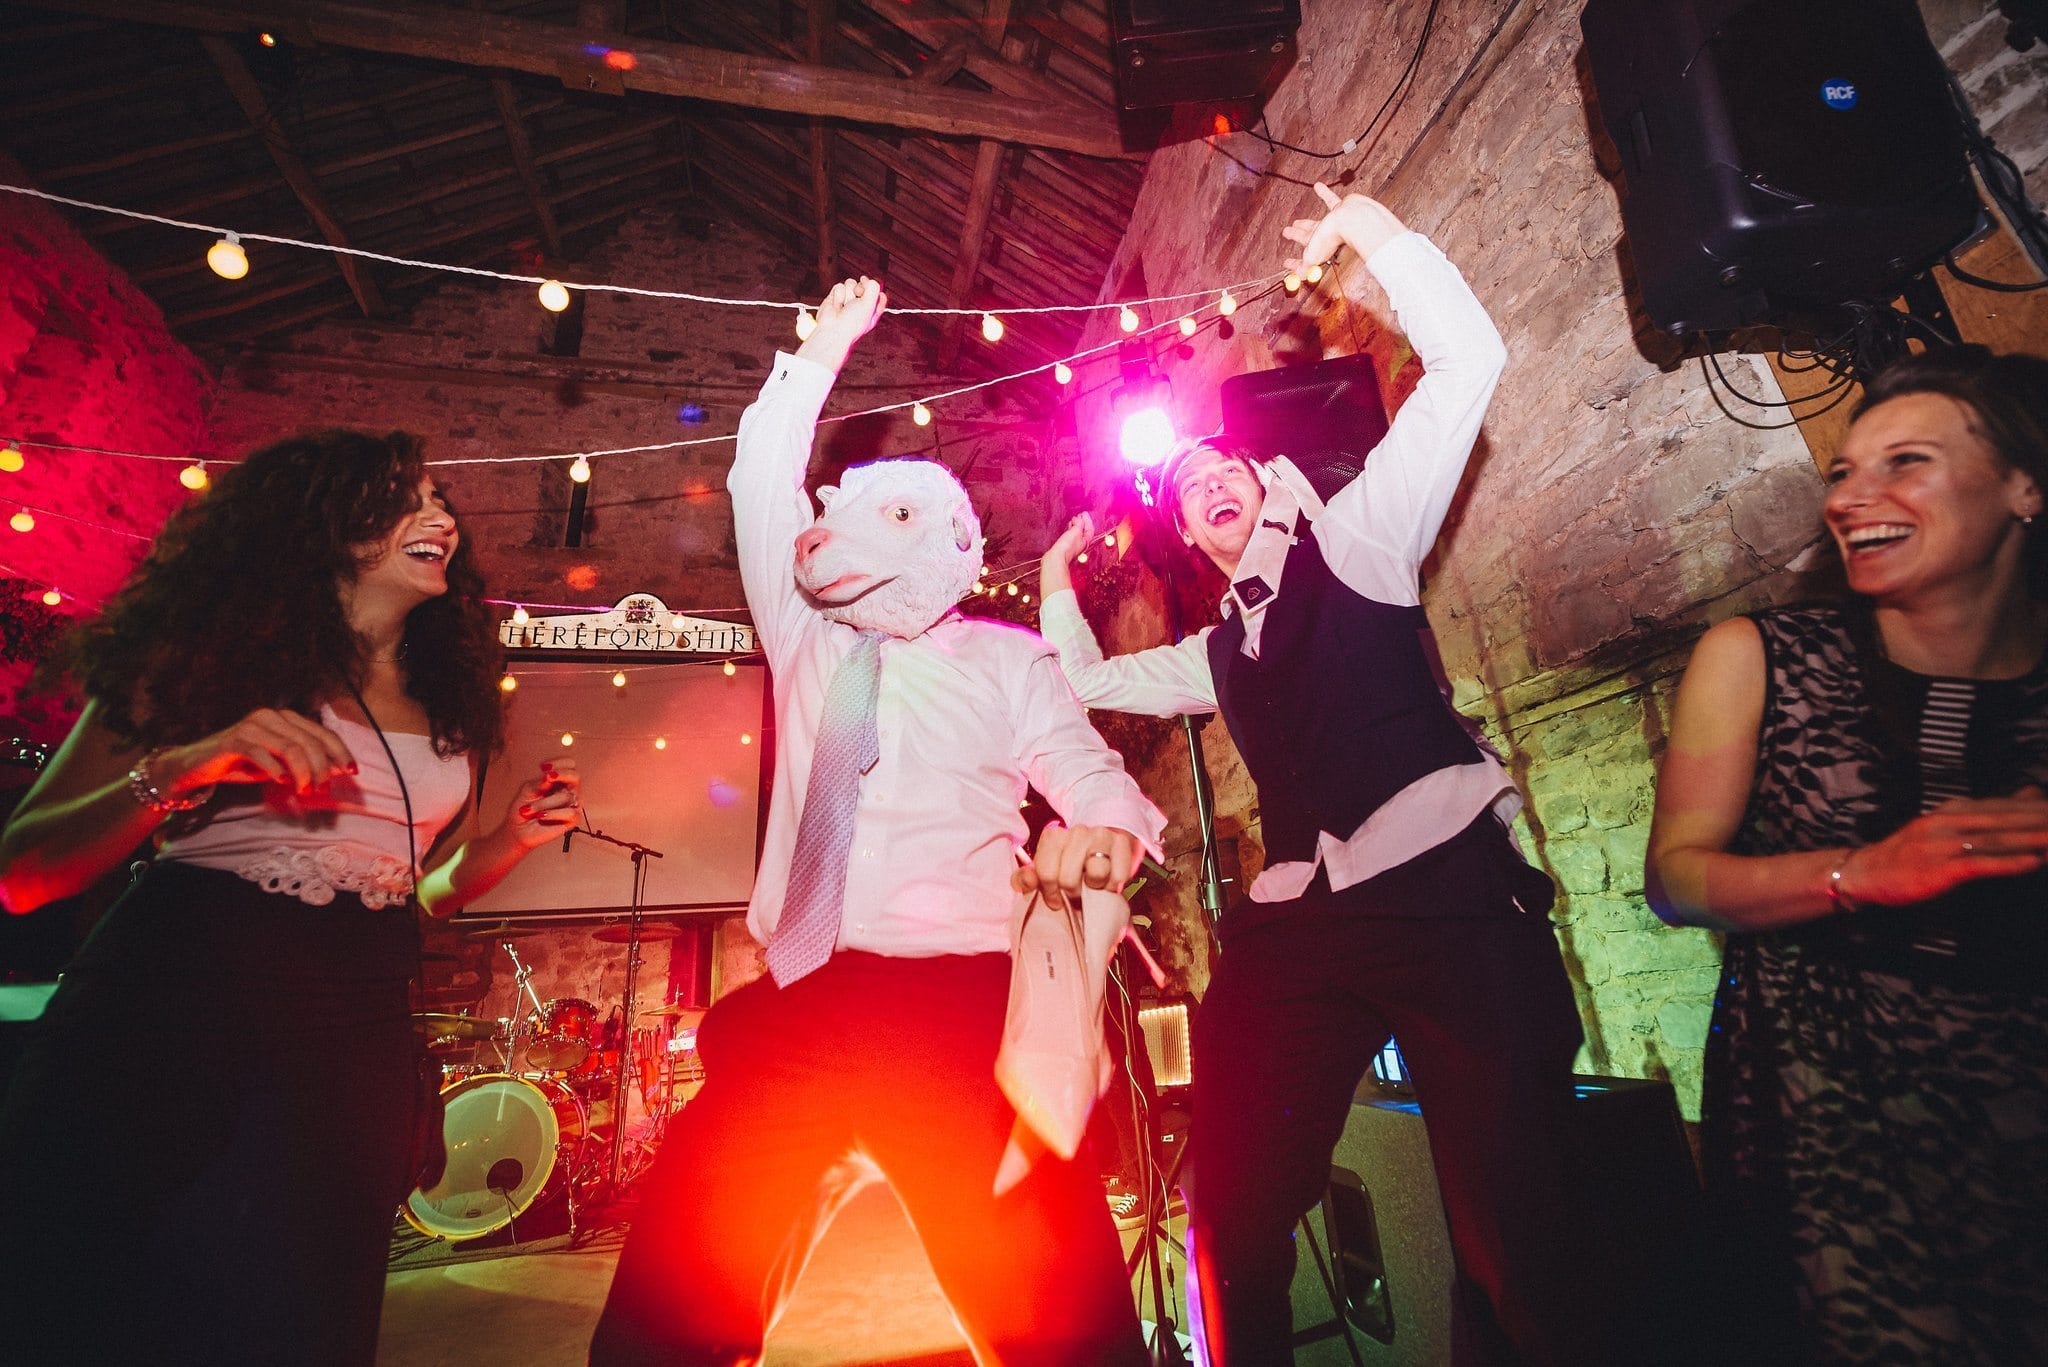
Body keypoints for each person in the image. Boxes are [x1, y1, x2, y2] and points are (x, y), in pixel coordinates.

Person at [1039, 185, 1594, 1366]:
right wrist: (1051, 580)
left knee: (1520, 1231)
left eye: (1223, 466)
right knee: (1231, 1198)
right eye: (1189, 489)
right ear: (1191, 536)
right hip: (1296, 932)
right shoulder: (1212, 646)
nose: (1207, 483)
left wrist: (1380, 243)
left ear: (1271, 478)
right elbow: (1086, 680)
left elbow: (1468, 361)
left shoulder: (1360, 535)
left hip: (1445, 898)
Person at [589, 277, 1166, 1366]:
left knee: (1061, 1330)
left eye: (889, 514)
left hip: (962, 1012)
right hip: (798, 1006)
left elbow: (1088, 772)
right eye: (842, 513)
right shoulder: (805, 638)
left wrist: (1108, 829)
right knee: (664, 1322)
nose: (830, 536)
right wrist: (816, 356)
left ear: (954, 541)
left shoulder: (1007, 659)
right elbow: (763, 485)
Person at [0, 430, 581, 1367]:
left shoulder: (450, 697)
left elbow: (418, 893)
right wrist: (185, 767)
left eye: (442, 502)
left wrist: (507, 840)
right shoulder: (204, 663)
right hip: (177, 1010)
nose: (442, 518)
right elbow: (22, 870)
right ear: (322, 523)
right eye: (406, 498)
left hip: (351, 1045)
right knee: (119, 1304)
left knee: (302, 1323)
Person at [1646, 345, 2048, 1365]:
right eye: (1839, 471)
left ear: (2022, 488)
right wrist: (1854, 872)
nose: (1850, 496)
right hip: (1842, 1109)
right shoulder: (1757, 657)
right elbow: (1674, 876)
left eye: (1901, 461)